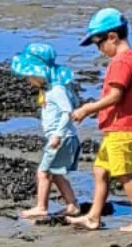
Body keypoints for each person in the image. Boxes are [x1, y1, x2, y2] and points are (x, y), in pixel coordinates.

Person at [66, 8, 132, 232]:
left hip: (122, 126)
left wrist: (88, 108)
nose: (99, 49)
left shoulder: (121, 62)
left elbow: (116, 96)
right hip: (117, 127)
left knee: (123, 174)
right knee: (100, 170)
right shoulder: (129, 57)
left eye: (98, 43)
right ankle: (93, 216)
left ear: (112, 37)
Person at [10, 43, 83, 220]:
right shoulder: (49, 89)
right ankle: (72, 205)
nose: (29, 80)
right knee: (56, 173)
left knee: (43, 172)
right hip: (63, 137)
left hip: (61, 137)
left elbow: (68, 112)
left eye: (30, 76)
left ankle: (41, 207)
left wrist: (57, 135)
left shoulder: (57, 90)